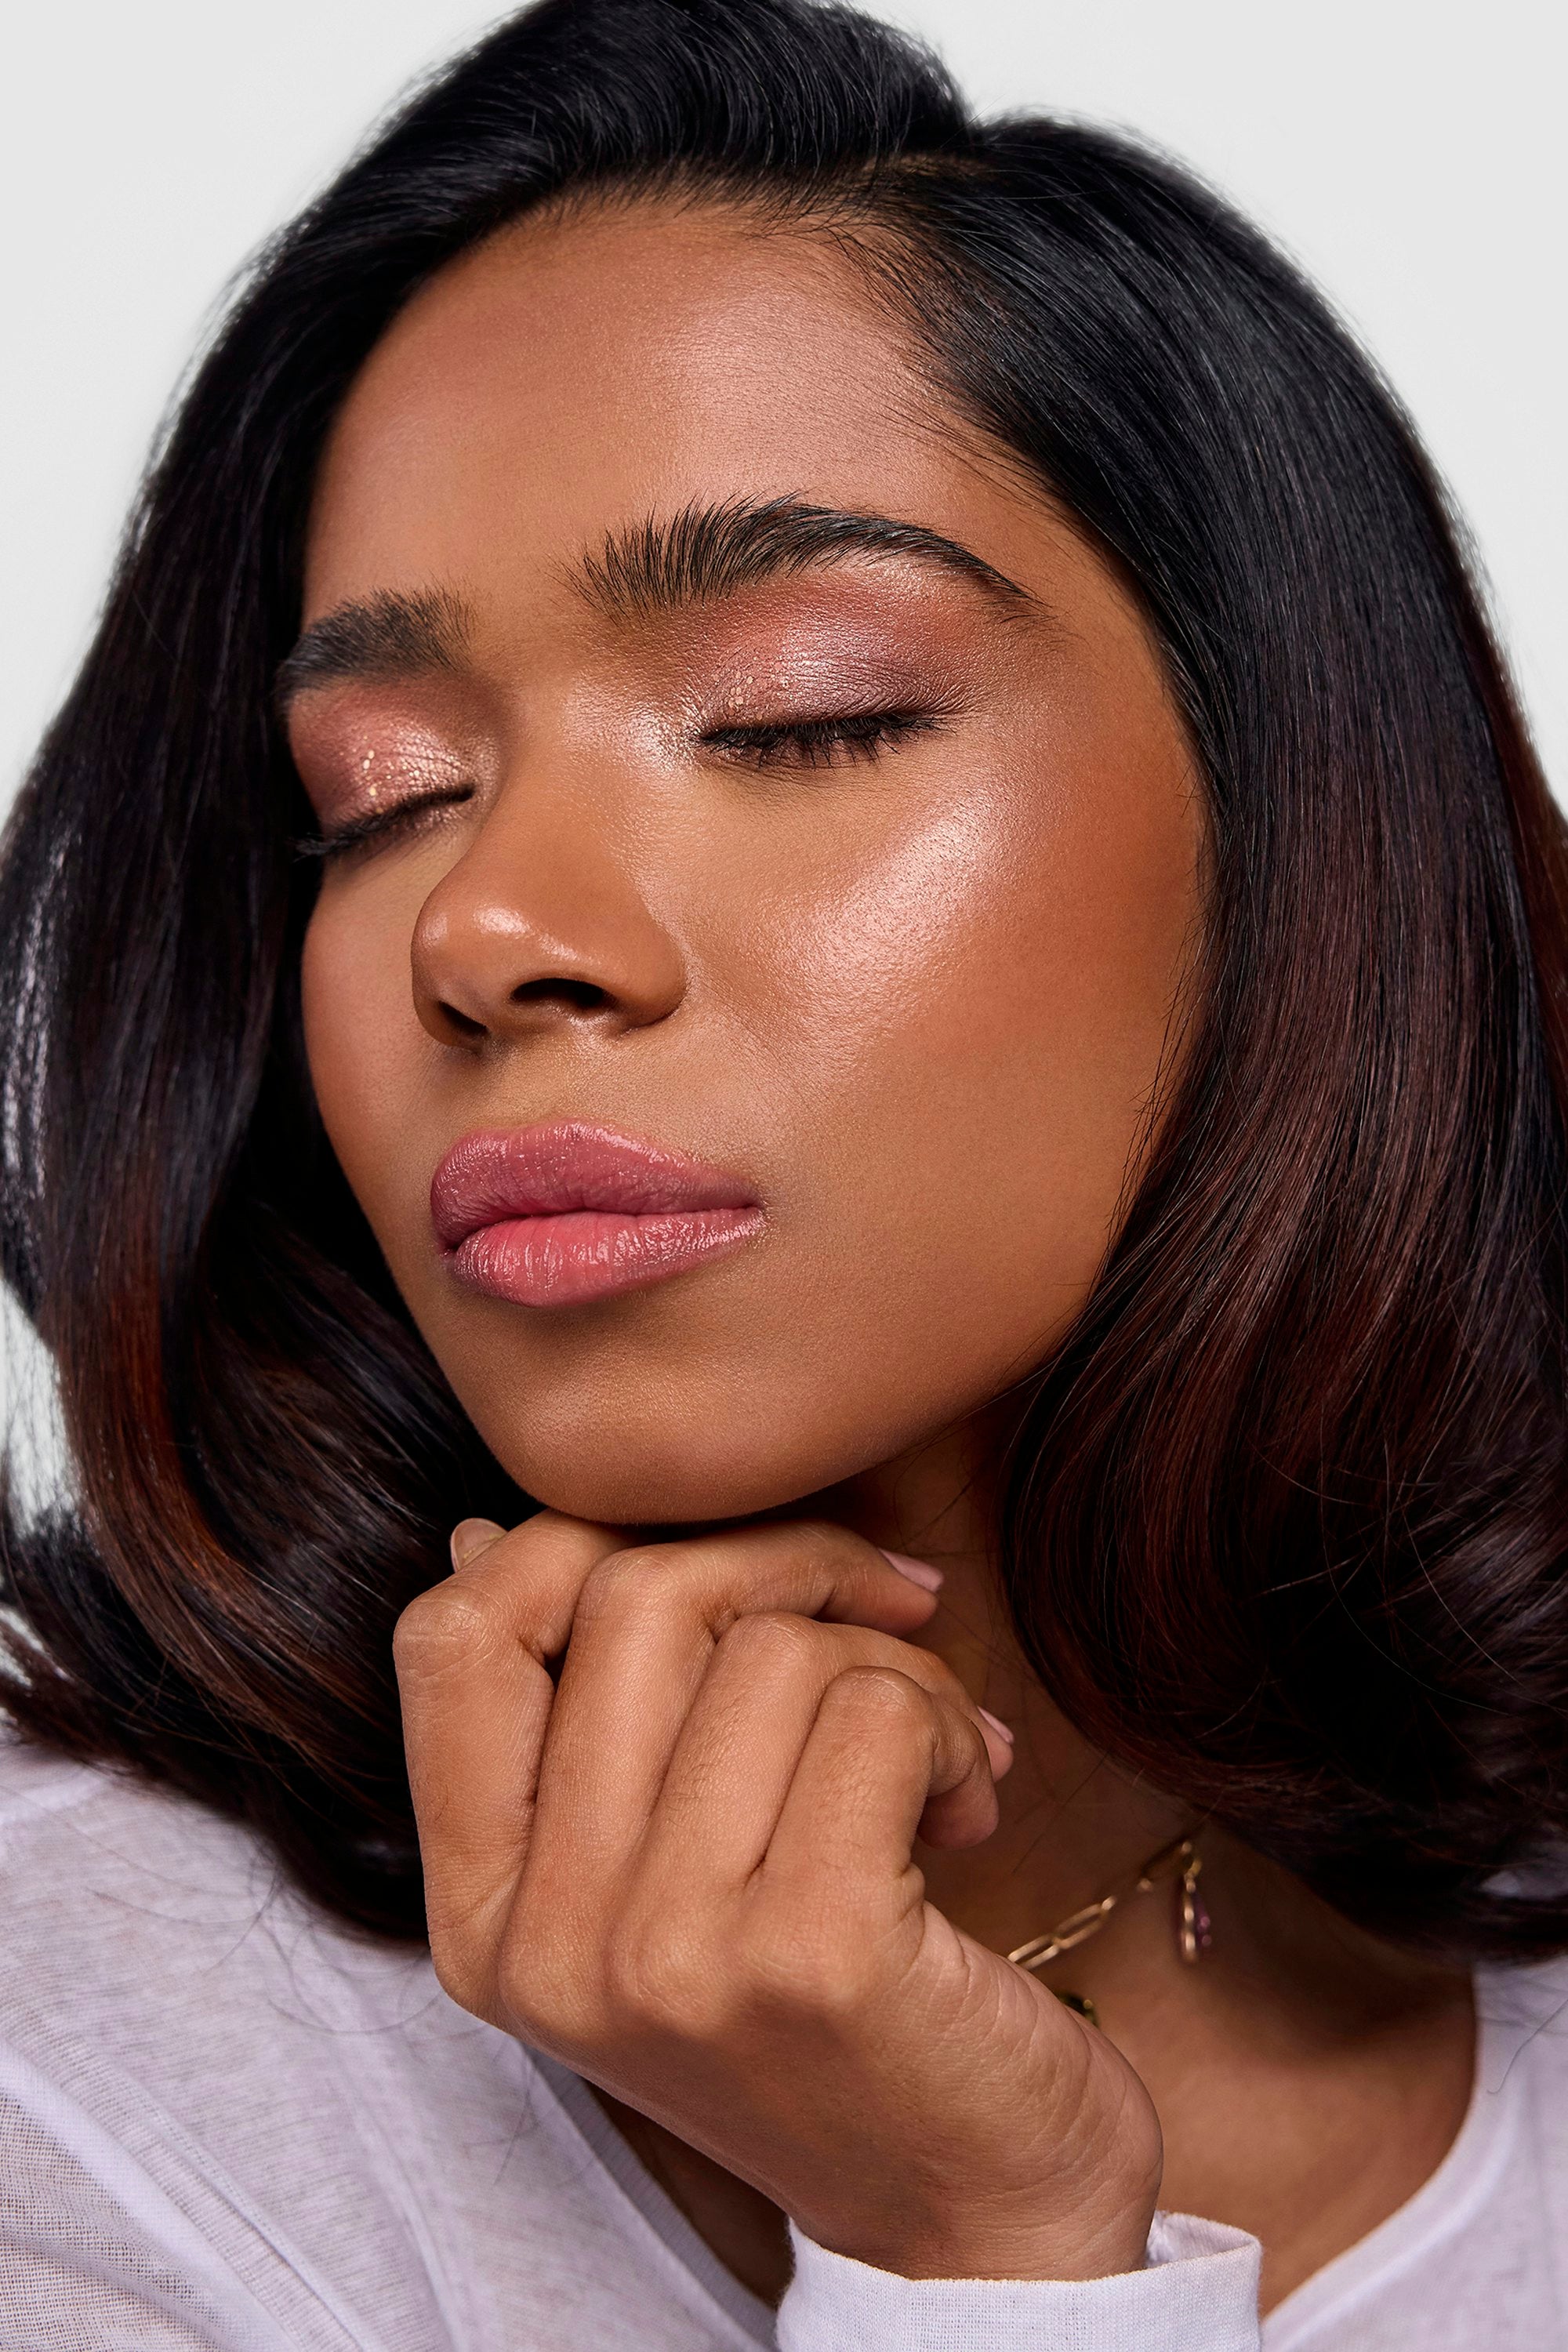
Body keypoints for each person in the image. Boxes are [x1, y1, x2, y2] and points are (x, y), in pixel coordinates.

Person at [2, 0, 1565, 2343]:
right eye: (382, 797)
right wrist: (983, 2263)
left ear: (1310, 837)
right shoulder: (72, 2098)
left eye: (795, 714)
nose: (482, 930)